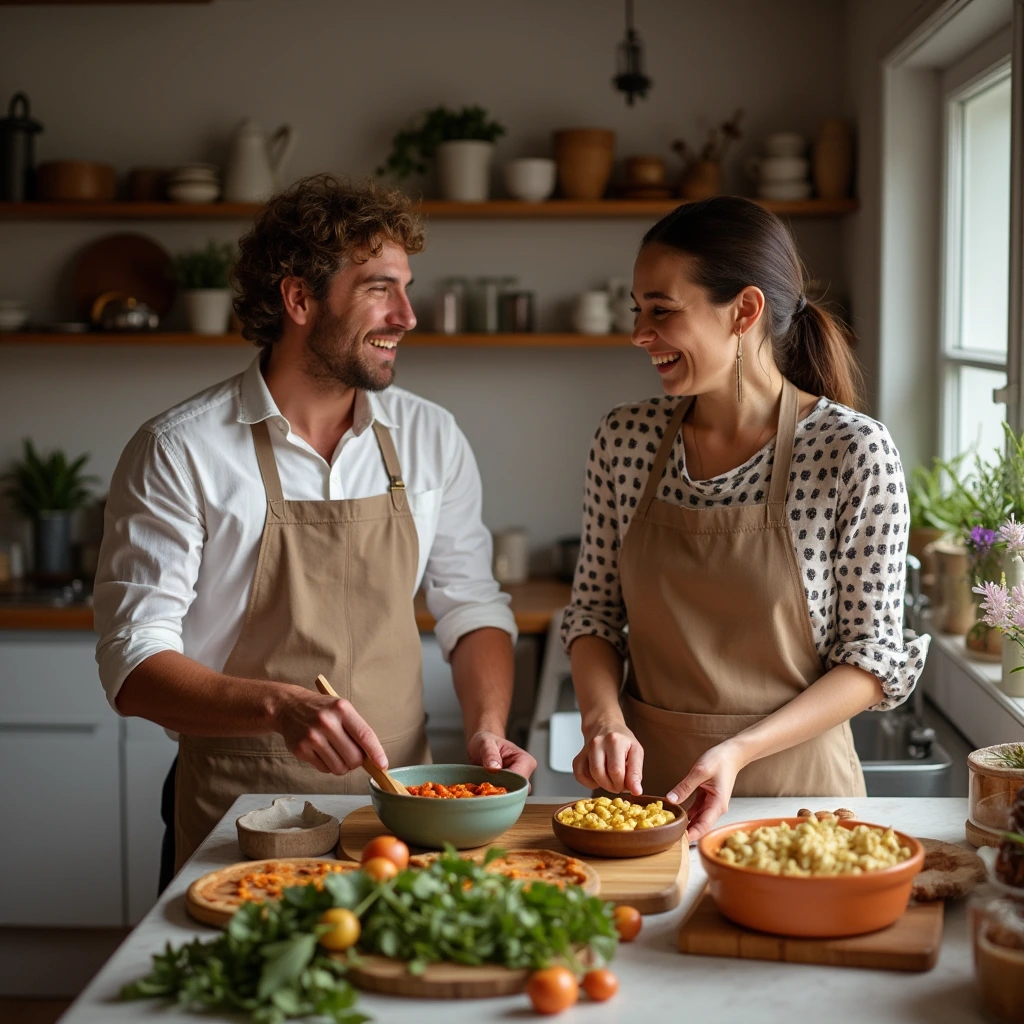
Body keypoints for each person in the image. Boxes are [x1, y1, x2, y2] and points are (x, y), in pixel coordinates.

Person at [94, 175, 536, 885]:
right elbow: (132, 664)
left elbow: (472, 605)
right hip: (238, 812)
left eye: (406, 286)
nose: (408, 316)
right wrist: (278, 705)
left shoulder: (430, 437)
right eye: (379, 289)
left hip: (398, 808)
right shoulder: (180, 449)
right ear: (299, 299)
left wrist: (488, 726)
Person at [562, 197, 929, 840]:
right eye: (637, 310)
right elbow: (593, 615)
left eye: (661, 310)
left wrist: (736, 751)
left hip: (802, 807)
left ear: (745, 311)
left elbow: (871, 661)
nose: (639, 334)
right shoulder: (625, 439)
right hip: (649, 803)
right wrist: (602, 722)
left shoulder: (851, 452)